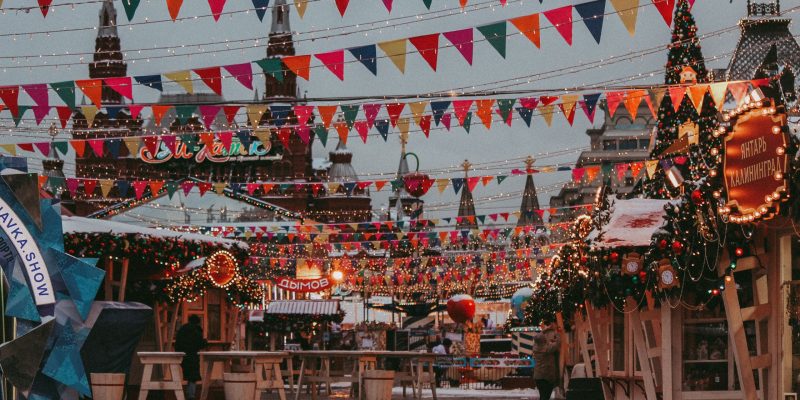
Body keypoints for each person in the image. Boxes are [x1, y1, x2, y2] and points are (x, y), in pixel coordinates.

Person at [175, 315, 207, 400]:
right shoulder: (197, 330)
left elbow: (177, 343)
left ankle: (189, 394)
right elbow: (199, 344)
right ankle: (191, 395)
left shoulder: (183, 329)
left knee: (189, 375)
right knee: (193, 376)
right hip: (193, 355)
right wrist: (205, 341)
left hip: (184, 356)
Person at [532, 321, 560, 400]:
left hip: (538, 377)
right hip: (546, 377)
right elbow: (558, 343)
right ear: (543, 341)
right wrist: (557, 333)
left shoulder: (535, 347)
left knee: (543, 396)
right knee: (545, 396)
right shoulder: (546, 348)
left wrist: (545, 330)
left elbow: (539, 337)